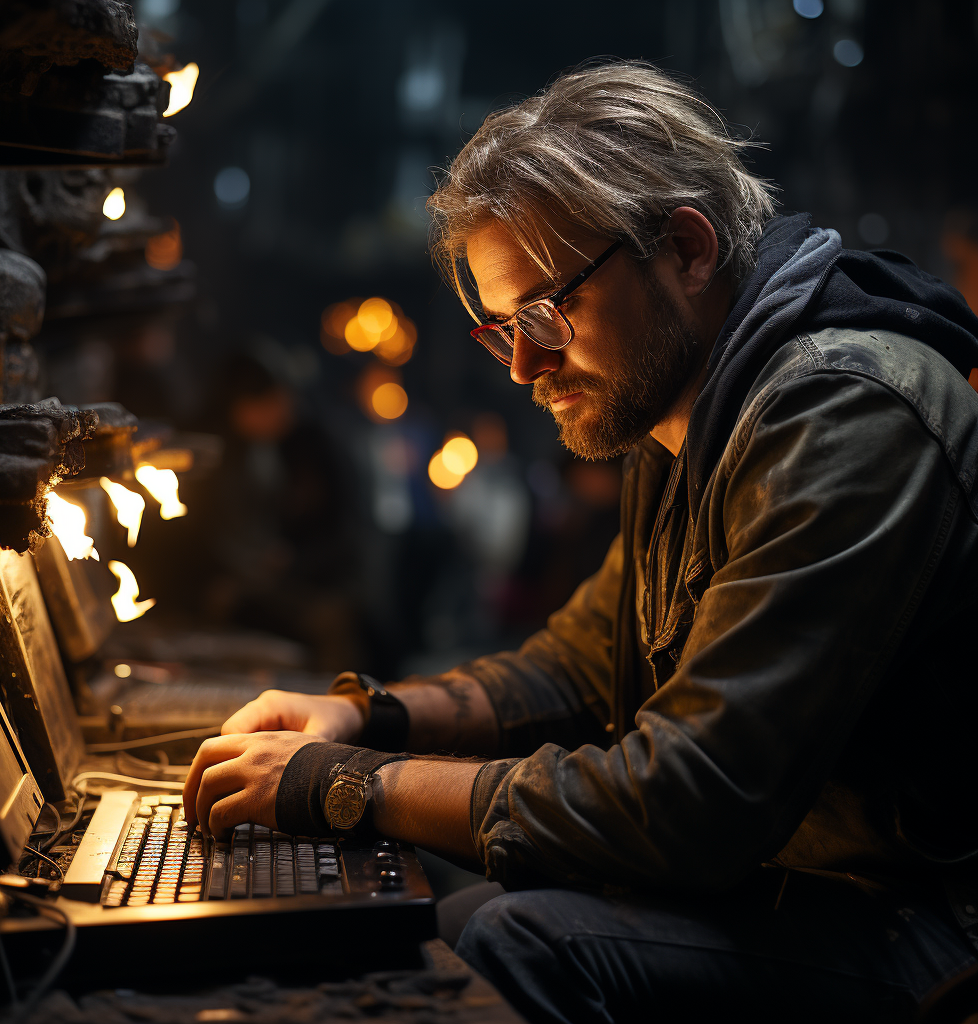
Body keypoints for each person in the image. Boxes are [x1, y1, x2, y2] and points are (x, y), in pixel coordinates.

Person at [183, 62, 978, 1022]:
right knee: (464, 912)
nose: (523, 366)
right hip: (808, 886)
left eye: (546, 316)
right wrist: (367, 719)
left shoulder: (845, 408)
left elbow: (696, 797)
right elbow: (575, 669)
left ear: (686, 247)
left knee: (511, 936)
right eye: (499, 330)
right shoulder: (687, 417)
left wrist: (349, 788)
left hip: (932, 925)